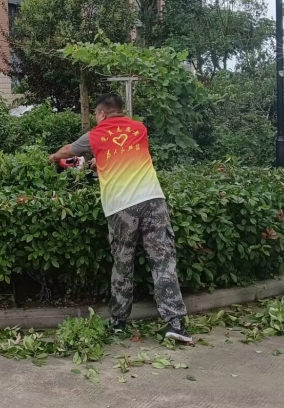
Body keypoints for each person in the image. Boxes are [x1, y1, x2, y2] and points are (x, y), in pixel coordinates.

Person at [48, 94, 191, 343]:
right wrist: (100, 162)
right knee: (163, 262)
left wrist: (51, 158)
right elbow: (123, 152)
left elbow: (68, 151)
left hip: (121, 207)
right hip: (153, 201)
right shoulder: (139, 129)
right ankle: (175, 324)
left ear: (102, 114)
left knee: (123, 264)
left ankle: (118, 323)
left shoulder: (95, 135)